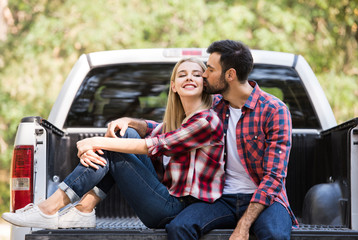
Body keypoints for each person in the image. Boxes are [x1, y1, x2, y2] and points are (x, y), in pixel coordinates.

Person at [2, 57, 225, 230]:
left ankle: (50, 208)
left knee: (116, 147)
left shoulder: (206, 121)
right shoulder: (183, 122)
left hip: (179, 210)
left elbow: (156, 144)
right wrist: (127, 121)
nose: (189, 78)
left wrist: (95, 142)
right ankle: (83, 209)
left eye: (196, 74)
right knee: (125, 134)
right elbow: (154, 129)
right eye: (182, 74)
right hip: (170, 203)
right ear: (174, 86)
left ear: (204, 84)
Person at [107, 40, 298, 239]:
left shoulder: (274, 111)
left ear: (230, 75)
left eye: (209, 69)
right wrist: (133, 122)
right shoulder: (213, 105)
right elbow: (176, 133)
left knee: (273, 234)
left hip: (266, 200)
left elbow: (274, 178)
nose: (204, 74)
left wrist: (243, 226)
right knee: (179, 227)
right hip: (221, 199)